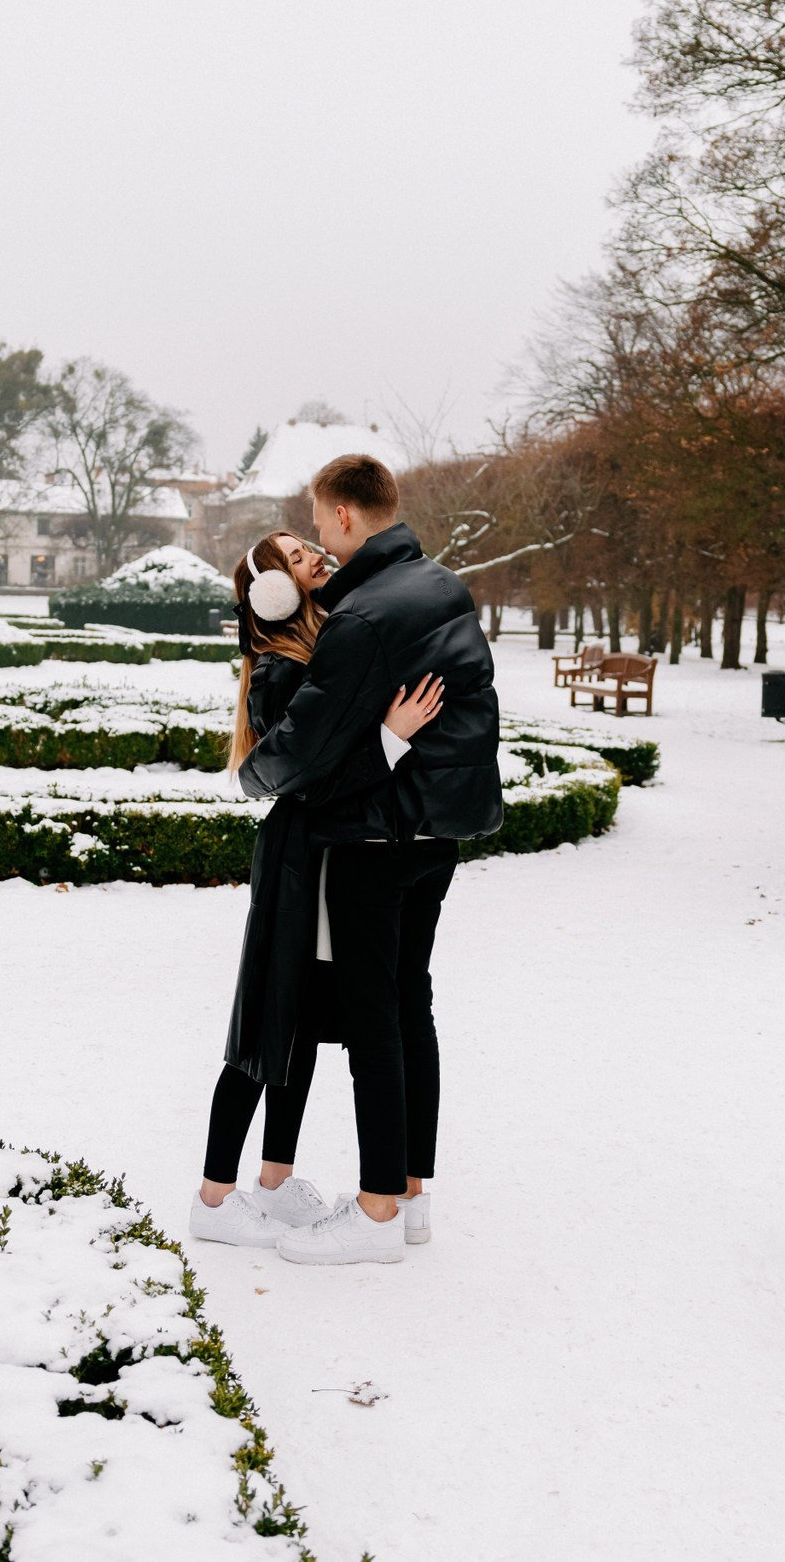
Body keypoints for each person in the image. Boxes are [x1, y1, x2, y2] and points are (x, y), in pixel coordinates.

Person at [238, 454, 503, 1266]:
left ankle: (378, 1208)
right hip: (439, 838)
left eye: (319, 521)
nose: (318, 536)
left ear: (346, 515)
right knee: (410, 1004)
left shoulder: (366, 617)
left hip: (376, 842)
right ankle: (412, 1194)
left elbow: (299, 748)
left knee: (372, 1021)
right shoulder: (443, 586)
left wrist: (254, 772)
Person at [190, 529, 446, 1248]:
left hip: (324, 860)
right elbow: (308, 778)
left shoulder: (317, 649)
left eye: (310, 546)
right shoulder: (279, 671)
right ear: (274, 591)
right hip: (300, 864)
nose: (317, 557)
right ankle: (213, 1196)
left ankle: (272, 1182)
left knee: (297, 1022)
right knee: (266, 1023)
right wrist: (390, 739)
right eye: (299, 558)